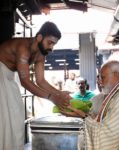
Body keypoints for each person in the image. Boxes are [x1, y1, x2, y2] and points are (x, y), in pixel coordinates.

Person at [0, 21, 71, 150]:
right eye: (50, 42)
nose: (52, 47)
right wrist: (53, 98)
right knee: (4, 119)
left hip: (9, 77)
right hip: (1, 73)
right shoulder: (23, 48)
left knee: (16, 116)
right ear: (39, 37)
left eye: (54, 44)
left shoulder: (40, 54)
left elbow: (41, 80)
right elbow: (25, 81)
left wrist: (59, 93)